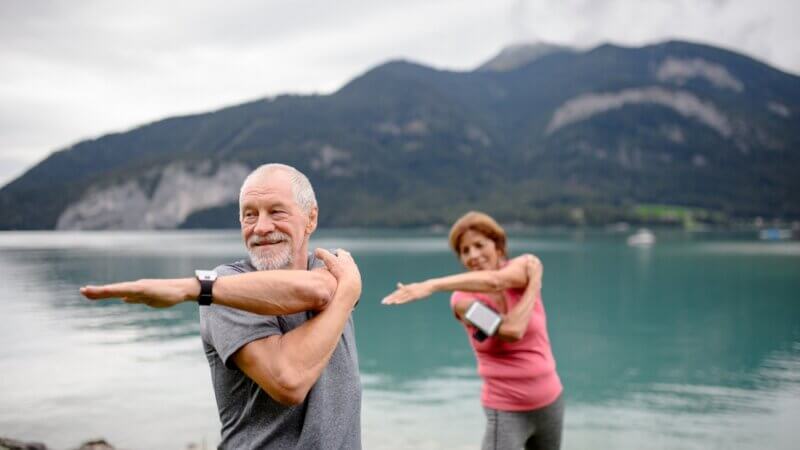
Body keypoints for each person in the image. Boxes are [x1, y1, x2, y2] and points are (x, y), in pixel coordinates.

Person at [81, 163, 362, 449]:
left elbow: (320, 291)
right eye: (249, 215)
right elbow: (288, 379)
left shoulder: (327, 266)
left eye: (276, 211)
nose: (261, 227)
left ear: (310, 218)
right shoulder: (225, 291)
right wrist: (348, 293)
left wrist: (190, 288)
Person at [382, 211, 564, 450]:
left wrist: (433, 285)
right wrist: (534, 286)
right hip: (507, 410)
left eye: (479, 245)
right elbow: (512, 330)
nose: (474, 255)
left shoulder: (521, 268)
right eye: (465, 251)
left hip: (551, 402)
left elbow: (497, 281)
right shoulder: (463, 301)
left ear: (498, 246)